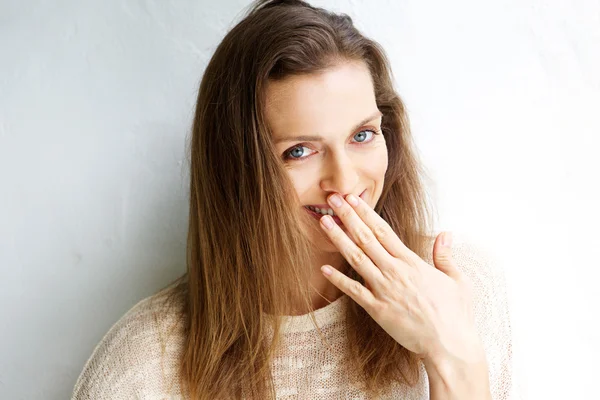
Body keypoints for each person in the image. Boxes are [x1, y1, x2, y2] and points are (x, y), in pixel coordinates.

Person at [72, 0, 517, 399]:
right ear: (237, 171)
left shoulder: (463, 289)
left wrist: (452, 353)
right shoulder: (143, 370)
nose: (343, 181)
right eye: (299, 151)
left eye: (362, 135)